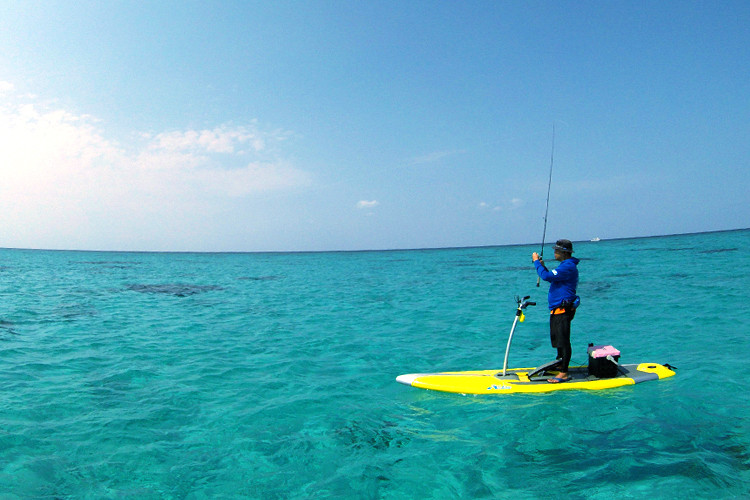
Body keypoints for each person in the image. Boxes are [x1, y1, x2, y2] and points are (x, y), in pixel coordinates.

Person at [532, 239, 580, 383]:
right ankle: (560, 364)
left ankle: (564, 373)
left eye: (556, 250)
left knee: (564, 341)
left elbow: (546, 277)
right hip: (556, 310)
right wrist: (543, 266)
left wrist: (535, 262)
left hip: (563, 310)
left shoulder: (568, 266)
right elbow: (551, 276)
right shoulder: (564, 266)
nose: (554, 253)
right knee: (558, 340)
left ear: (564, 253)